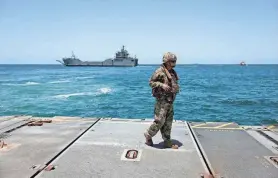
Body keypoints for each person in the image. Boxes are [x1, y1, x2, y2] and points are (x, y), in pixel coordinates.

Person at [144, 52, 180, 149]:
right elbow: (151, 82)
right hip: (162, 101)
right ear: (167, 62)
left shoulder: (172, 72)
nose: (174, 63)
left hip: (170, 101)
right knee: (159, 121)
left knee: (168, 122)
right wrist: (162, 85)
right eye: (172, 61)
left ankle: (167, 141)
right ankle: (148, 135)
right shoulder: (159, 71)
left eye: (175, 61)